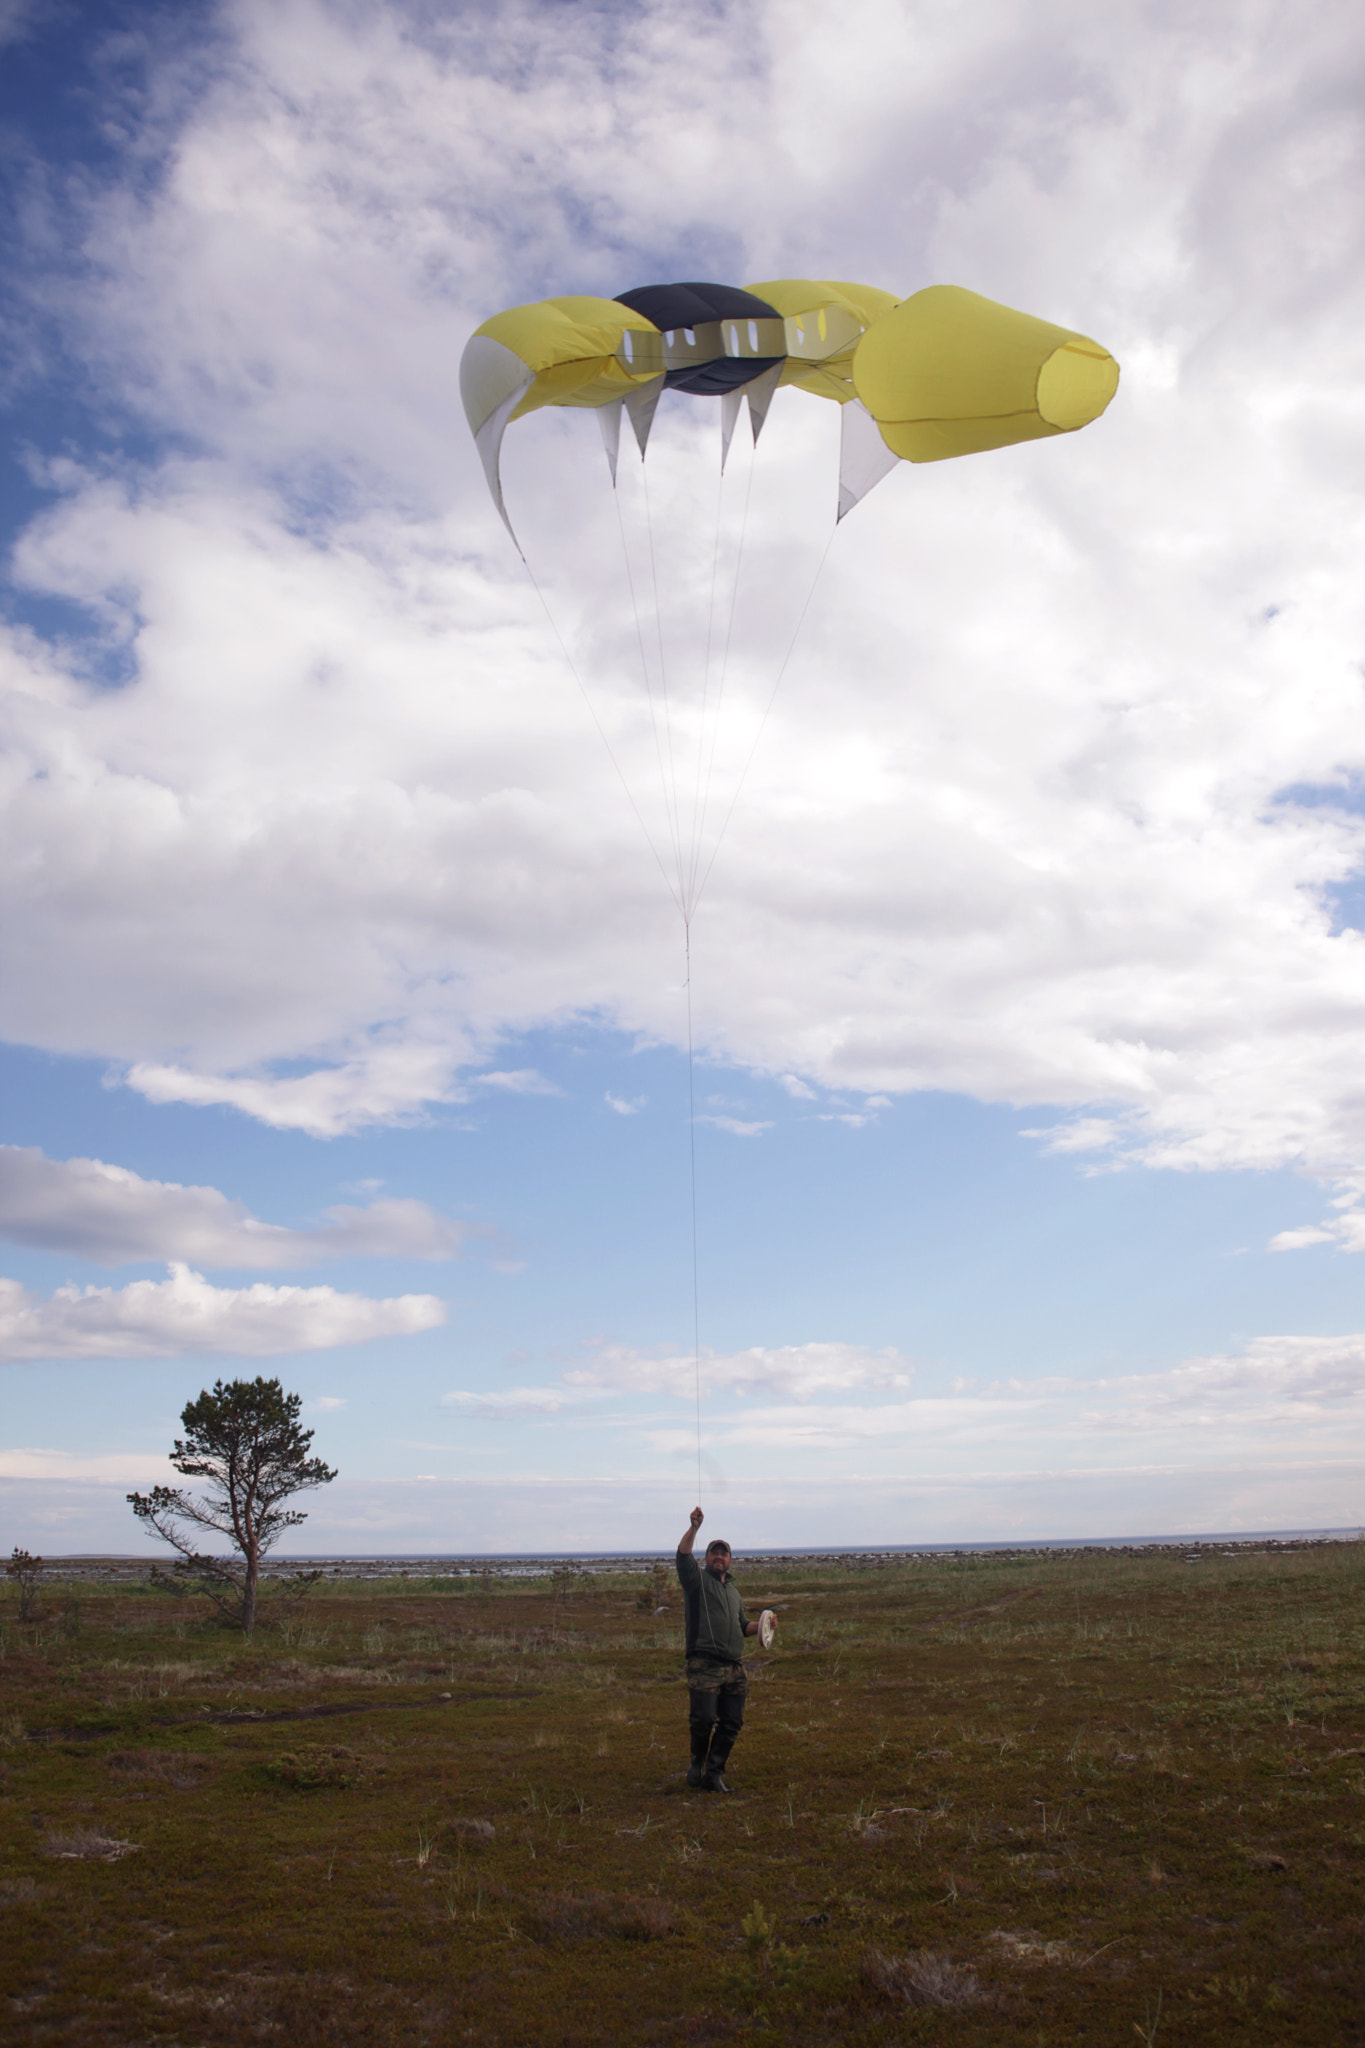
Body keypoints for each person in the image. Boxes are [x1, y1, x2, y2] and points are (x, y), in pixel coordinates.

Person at [674, 1506, 771, 1792]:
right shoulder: (697, 1581)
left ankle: (714, 1773)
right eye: (714, 1553)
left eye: (723, 1553)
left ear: (730, 1560)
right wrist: (694, 1529)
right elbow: (682, 1556)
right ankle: (696, 1763)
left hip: (734, 1666)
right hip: (704, 1664)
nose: (719, 1557)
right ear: (706, 1559)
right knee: (702, 1720)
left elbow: (743, 1626)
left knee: (732, 1722)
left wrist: (765, 1624)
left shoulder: (734, 1593)